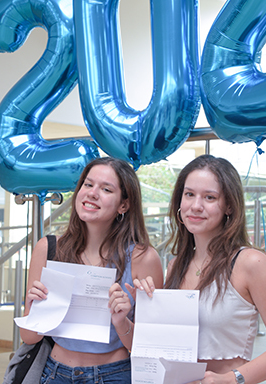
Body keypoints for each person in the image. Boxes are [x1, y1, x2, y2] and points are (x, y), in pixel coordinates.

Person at [137, 154, 266, 384]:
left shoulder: (251, 263)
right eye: (189, 194)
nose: (196, 206)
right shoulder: (175, 266)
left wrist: (232, 380)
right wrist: (138, 309)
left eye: (209, 197)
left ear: (229, 206)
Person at [22, 157, 164, 384]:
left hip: (114, 374)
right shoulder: (48, 249)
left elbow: (151, 348)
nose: (92, 193)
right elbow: (28, 337)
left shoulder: (143, 258)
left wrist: (122, 322)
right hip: (54, 373)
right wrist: (34, 306)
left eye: (106, 189)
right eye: (88, 185)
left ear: (124, 205)